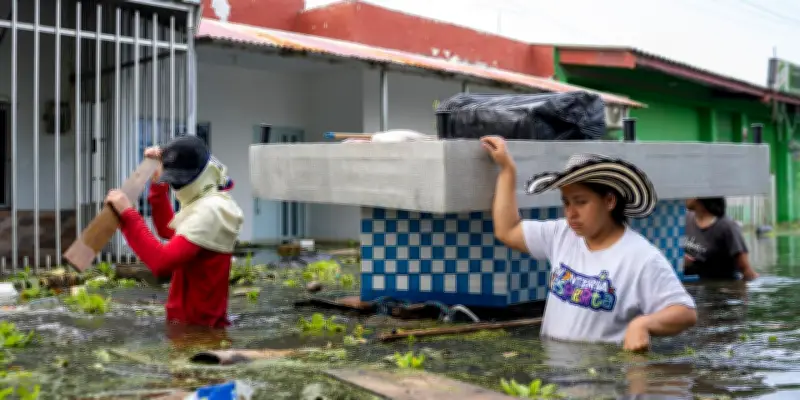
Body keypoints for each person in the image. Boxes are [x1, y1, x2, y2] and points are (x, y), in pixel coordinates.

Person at [480, 136, 697, 351]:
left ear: (609, 201)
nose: (571, 214)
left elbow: (685, 311)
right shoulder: (561, 234)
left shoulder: (641, 257)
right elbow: (507, 230)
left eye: (581, 202)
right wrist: (507, 170)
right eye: (566, 203)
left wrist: (642, 324)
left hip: (603, 377)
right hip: (556, 372)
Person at [105, 135, 244, 328]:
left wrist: (129, 215)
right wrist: (158, 185)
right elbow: (167, 229)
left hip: (200, 331)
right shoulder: (205, 203)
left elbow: (162, 263)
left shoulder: (213, 210)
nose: (176, 186)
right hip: (188, 325)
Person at [683, 197, 758, 281]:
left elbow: (747, 272)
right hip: (690, 288)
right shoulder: (685, 219)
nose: (685, 196)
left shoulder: (727, 227)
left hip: (719, 289)